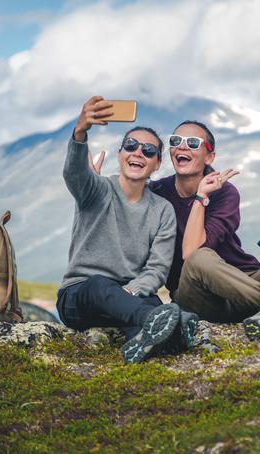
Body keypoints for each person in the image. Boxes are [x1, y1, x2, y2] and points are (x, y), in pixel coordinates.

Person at [147, 121, 260, 340]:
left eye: (193, 143)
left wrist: (204, 196)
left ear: (209, 157)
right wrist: (200, 197)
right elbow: (190, 253)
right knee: (199, 259)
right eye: (176, 141)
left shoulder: (225, 193)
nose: (182, 147)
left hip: (240, 279)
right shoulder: (156, 193)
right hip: (197, 294)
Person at [57, 96, 198, 364]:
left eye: (148, 150)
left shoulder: (162, 210)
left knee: (153, 304)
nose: (137, 153)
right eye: (130, 146)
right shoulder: (95, 190)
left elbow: (157, 269)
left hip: (129, 296)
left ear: (157, 164)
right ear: (121, 154)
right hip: (81, 296)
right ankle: (162, 324)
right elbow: (74, 174)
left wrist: (132, 291)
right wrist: (80, 131)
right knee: (101, 287)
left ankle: (145, 343)